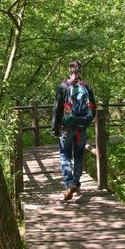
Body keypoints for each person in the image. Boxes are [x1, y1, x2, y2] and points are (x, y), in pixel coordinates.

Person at [52, 60, 96, 201]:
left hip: (67, 127)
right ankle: (76, 185)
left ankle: (69, 183)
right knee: (78, 155)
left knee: (65, 155)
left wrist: (55, 129)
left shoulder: (63, 85)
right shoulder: (85, 86)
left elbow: (57, 108)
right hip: (81, 128)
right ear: (80, 71)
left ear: (69, 70)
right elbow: (93, 108)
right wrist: (85, 121)